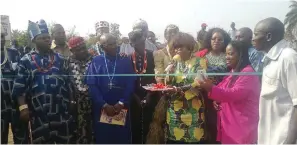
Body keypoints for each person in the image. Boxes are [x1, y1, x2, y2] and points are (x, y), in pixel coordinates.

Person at [12, 20, 75, 144]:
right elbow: (20, 86)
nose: (48, 40)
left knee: (65, 139)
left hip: (61, 110)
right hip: (38, 113)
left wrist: (72, 100)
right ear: (34, 40)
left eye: (48, 37)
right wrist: (23, 108)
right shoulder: (26, 60)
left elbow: (70, 82)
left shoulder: (60, 59)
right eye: (43, 38)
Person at [147, 32, 206, 144]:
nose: (177, 50)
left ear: (190, 48)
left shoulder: (200, 62)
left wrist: (179, 89)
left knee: (193, 139)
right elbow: (168, 81)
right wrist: (169, 76)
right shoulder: (174, 61)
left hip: (193, 110)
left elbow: (200, 82)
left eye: (181, 47)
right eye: (176, 47)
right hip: (175, 111)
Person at [198, 41, 260, 144]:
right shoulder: (233, 72)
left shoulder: (248, 73)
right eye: (226, 54)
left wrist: (211, 88)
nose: (227, 57)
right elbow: (222, 88)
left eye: (231, 54)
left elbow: (234, 94)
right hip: (230, 125)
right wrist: (217, 100)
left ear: (241, 55)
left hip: (241, 126)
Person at [253, 17, 297, 144]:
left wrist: (290, 140)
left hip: (283, 139)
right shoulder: (268, 59)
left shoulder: (288, 58)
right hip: (269, 137)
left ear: (268, 36)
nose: (253, 38)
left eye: (256, 34)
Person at [86, 34, 135, 144]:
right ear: (103, 46)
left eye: (115, 43)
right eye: (111, 44)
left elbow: (130, 83)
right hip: (102, 108)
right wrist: (104, 104)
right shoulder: (96, 61)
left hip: (121, 106)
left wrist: (121, 102)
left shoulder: (125, 60)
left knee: (122, 138)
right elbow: (92, 85)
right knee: (104, 138)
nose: (115, 46)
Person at [195, 27, 230, 143]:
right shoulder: (201, 55)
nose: (216, 41)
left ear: (225, 42)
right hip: (203, 95)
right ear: (209, 40)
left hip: (222, 96)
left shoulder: (229, 56)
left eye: (220, 39)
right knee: (203, 124)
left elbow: (232, 77)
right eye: (213, 38)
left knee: (218, 125)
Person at [128, 29, 159, 144]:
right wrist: (136, 97)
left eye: (141, 41)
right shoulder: (128, 58)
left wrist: (149, 96)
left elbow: (157, 77)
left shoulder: (153, 55)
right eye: (135, 42)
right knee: (135, 126)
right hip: (134, 97)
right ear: (131, 44)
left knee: (150, 125)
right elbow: (128, 81)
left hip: (152, 95)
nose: (139, 44)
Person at [67, 36, 94, 143]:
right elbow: (67, 83)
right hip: (76, 103)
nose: (83, 51)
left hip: (93, 101)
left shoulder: (94, 60)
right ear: (71, 50)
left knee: (94, 129)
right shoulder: (66, 63)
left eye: (84, 47)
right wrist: (71, 99)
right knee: (79, 130)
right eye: (78, 49)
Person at [1, 27, 21, 144]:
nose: (0, 39)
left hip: (15, 103)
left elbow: (21, 78)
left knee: (21, 137)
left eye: (2, 36)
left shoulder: (13, 53)